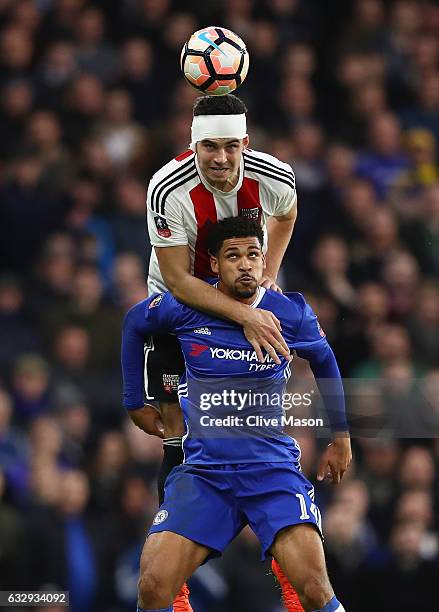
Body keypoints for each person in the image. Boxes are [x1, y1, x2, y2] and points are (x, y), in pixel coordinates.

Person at [122, 217, 352, 612]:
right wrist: (133, 400)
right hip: (205, 475)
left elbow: (325, 361)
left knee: (314, 589)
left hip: (270, 472)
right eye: (233, 256)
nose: (244, 264)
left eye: (252, 255)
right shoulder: (186, 306)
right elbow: (134, 323)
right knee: (153, 586)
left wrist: (340, 437)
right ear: (214, 265)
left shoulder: (290, 312)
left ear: (264, 262)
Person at [135, 93, 299, 609]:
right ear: (193, 145)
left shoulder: (275, 176)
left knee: (253, 430)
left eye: (230, 147)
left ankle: (289, 560)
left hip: (241, 307)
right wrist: (247, 312)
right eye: (209, 147)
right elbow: (180, 281)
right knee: (173, 431)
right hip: (178, 311)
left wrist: (264, 277)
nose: (221, 159)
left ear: (246, 144)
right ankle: (176, 579)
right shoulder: (166, 190)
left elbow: (287, 214)